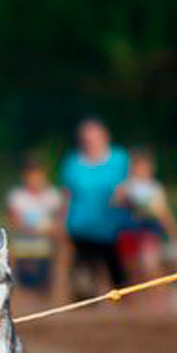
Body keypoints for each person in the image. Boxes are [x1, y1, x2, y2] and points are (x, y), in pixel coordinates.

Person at [59, 118, 129, 299]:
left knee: (121, 281)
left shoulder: (120, 159)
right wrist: (60, 223)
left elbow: (130, 186)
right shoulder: (73, 162)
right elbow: (67, 195)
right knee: (83, 283)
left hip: (113, 231)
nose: (89, 144)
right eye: (85, 140)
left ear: (105, 138)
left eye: (94, 139)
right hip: (81, 231)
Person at [114, 147, 177, 288]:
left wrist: (173, 232)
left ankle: (158, 299)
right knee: (132, 271)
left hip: (148, 233)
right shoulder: (126, 186)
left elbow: (163, 212)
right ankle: (140, 305)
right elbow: (115, 203)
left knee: (150, 267)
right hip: (129, 233)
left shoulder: (154, 188)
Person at [6, 157, 64, 292]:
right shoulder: (17, 196)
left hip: (48, 242)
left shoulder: (52, 195)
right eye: (30, 176)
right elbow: (14, 220)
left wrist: (51, 229)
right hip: (25, 242)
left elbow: (59, 220)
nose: (34, 180)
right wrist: (32, 230)